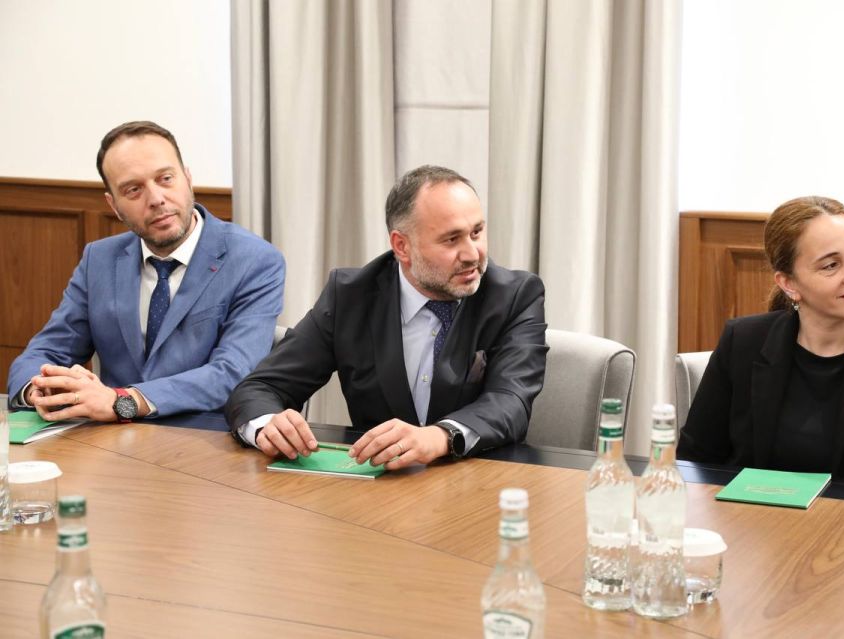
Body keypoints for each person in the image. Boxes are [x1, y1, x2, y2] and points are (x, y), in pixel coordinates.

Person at [226, 165, 548, 469]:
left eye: (476, 232)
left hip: (481, 481)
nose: (472, 254)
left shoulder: (514, 296)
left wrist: (439, 437)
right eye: (451, 239)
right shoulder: (351, 297)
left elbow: (511, 402)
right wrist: (268, 425)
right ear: (402, 246)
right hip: (380, 484)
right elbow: (260, 388)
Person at [7, 121, 285, 423]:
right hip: (107, 439)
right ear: (114, 205)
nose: (156, 199)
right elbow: (45, 353)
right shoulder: (99, 259)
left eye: (166, 178)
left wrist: (123, 401)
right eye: (133, 189)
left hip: (205, 439)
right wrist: (40, 389)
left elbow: (231, 373)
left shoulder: (254, 260)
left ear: (187, 178)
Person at [677, 196, 844, 489]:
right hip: (747, 515)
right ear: (789, 284)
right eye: (831, 265)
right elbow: (695, 462)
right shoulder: (742, 343)